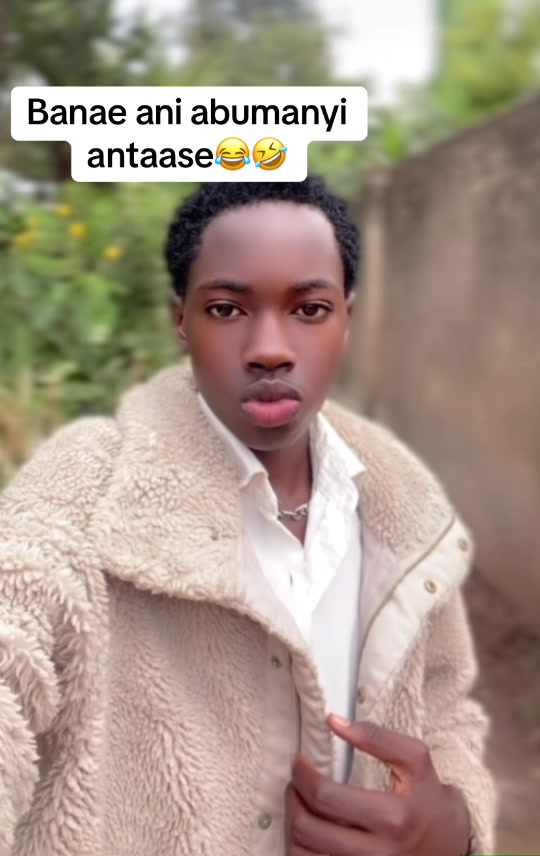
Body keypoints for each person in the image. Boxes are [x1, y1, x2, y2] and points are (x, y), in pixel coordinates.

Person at [0, 176, 495, 856]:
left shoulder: (402, 503)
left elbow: (446, 706)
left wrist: (457, 825)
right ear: (182, 320)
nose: (269, 348)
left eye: (309, 309)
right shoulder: (87, 492)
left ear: (347, 318)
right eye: (227, 308)